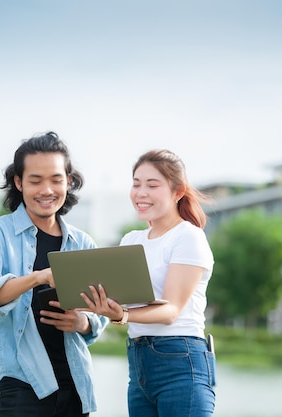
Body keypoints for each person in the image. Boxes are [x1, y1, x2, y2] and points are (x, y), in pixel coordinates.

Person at [0, 131, 110, 417]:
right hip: (21, 387)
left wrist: (81, 322)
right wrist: (39, 277)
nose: (47, 189)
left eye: (56, 179)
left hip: (76, 388)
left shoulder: (83, 244)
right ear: (18, 182)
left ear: (68, 181)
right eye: (35, 180)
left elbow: (99, 317)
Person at [80, 149, 216, 417]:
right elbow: (117, 298)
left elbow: (170, 311)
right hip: (139, 363)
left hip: (181, 362)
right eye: (136, 183)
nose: (141, 193)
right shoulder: (131, 240)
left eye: (152, 185)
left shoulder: (188, 237)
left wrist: (122, 315)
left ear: (178, 192)